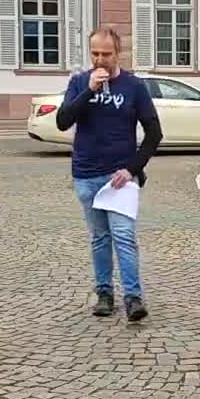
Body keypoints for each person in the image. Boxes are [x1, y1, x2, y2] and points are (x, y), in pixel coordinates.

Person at [55, 28, 163, 322]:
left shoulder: (134, 86)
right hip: (87, 174)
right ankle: (104, 293)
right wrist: (88, 90)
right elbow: (63, 121)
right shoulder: (79, 82)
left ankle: (133, 297)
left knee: (124, 236)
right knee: (100, 238)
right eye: (95, 54)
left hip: (120, 177)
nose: (100, 60)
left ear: (118, 54)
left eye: (107, 54)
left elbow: (154, 133)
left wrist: (132, 169)